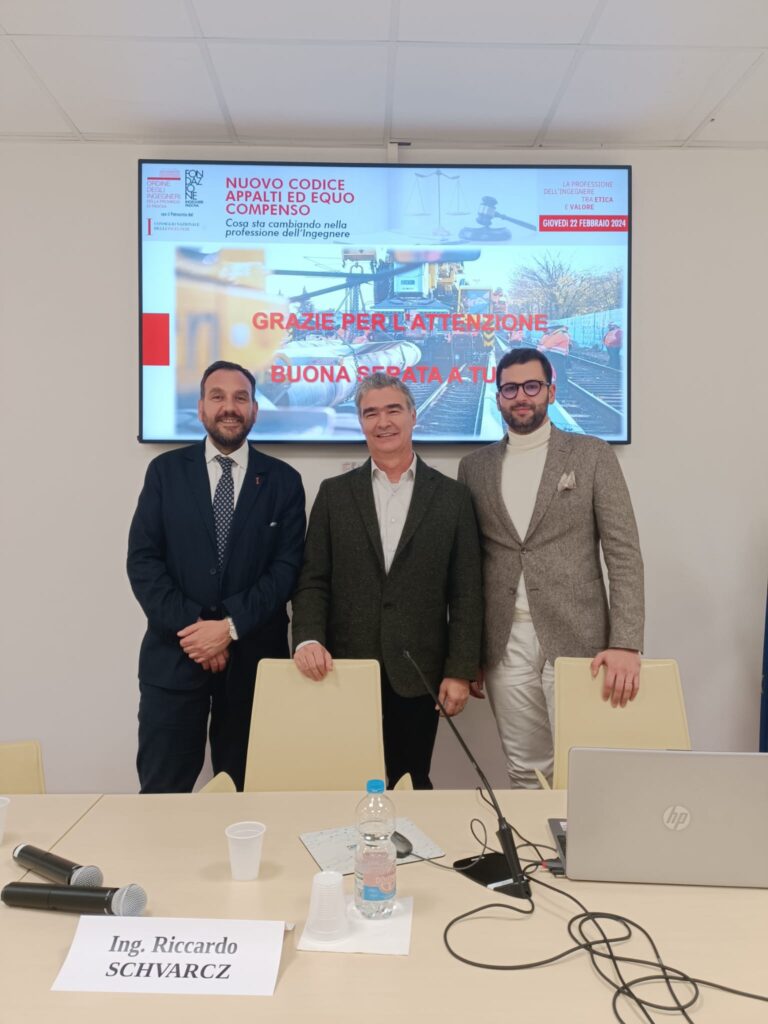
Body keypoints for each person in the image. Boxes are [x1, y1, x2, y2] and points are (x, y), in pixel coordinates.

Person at [458, 348, 644, 788]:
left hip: (581, 639)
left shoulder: (592, 454)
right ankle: (536, 840)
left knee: (588, 769)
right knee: (527, 770)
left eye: (531, 386)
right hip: (504, 642)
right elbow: (468, 566)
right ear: (498, 398)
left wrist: (626, 642)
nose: (521, 396)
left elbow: (623, 553)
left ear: (551, 391)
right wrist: (469, 652)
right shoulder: (474, 468)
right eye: (509, 389)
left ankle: (591, 838)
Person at [291, 372, 482, 789]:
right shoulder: (334, 494)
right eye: (370, 413)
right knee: (345, 784)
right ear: (360, 422)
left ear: (414, 415)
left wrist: (460, 670)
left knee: (411, 783)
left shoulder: (452, 498)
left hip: (418, 671)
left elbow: (466, 592)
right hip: (343, 669)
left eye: (393, 410)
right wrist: (307, 639)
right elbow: (313, 579)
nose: (383, 422)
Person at [127, 360, 305, 793]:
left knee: (250, 796)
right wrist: (198, 631)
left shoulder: (284, 481)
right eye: (218, 396)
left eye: (241, 398)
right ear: (201, 408)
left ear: (255, 409)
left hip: (253, 666)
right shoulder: (165, 473)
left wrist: (227, 628)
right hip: (175, 659)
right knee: (162, 796)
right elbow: (144, 561)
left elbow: (285, 571)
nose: (230, 407)